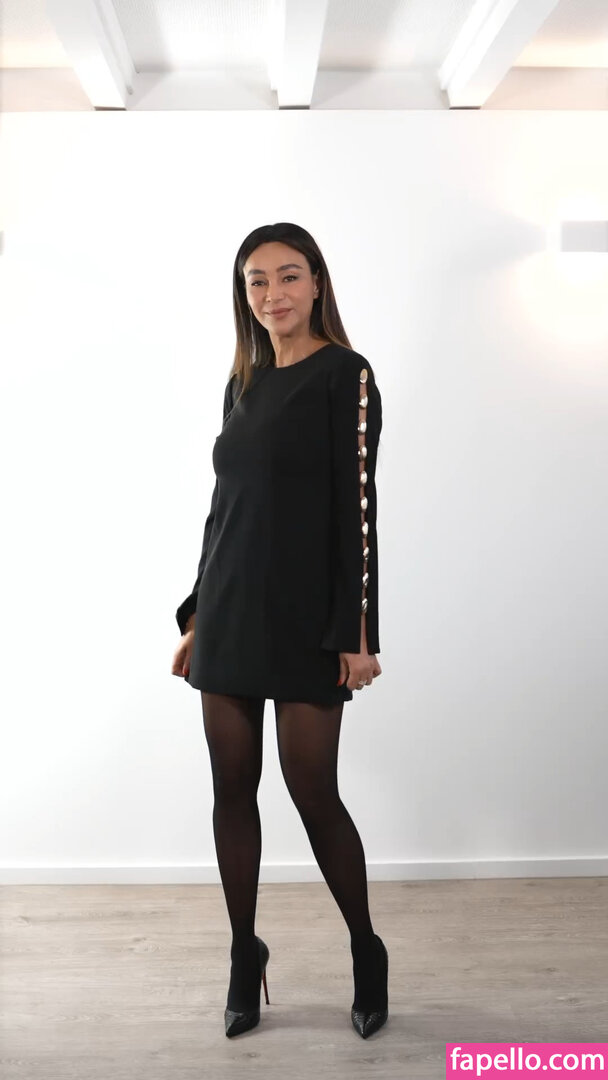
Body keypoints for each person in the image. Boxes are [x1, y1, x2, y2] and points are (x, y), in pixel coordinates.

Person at [171, 222, 388, 1039]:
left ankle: (366, 950)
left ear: (317, 282)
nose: (273, 294)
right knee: (232, 790)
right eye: (256, 282)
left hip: (307, 621)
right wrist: (197, 615)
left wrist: (357, 634)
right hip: (229, 613)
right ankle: (243, 953)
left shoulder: (346, 376)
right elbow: (223, 511)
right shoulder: (243, 383)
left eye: (288, 276)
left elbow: (358, 515)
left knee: (312, 790)